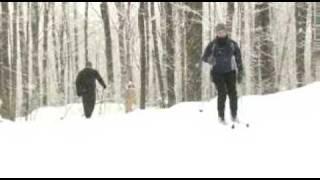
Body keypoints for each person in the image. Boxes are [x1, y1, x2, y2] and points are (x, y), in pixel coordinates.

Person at [201, 23, 244, 124]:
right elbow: (204, 57)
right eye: (219, 32)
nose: (221, 34)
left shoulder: (232, 44)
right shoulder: (213, 45)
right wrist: (210, 60)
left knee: (233, 94)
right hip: (217, 73)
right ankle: (221, 117)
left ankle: (234, 115)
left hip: (230, 72)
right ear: (216, 33)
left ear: (226, 32)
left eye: (223, 32)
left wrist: (241, 71)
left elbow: (238, 58)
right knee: (222, 93)